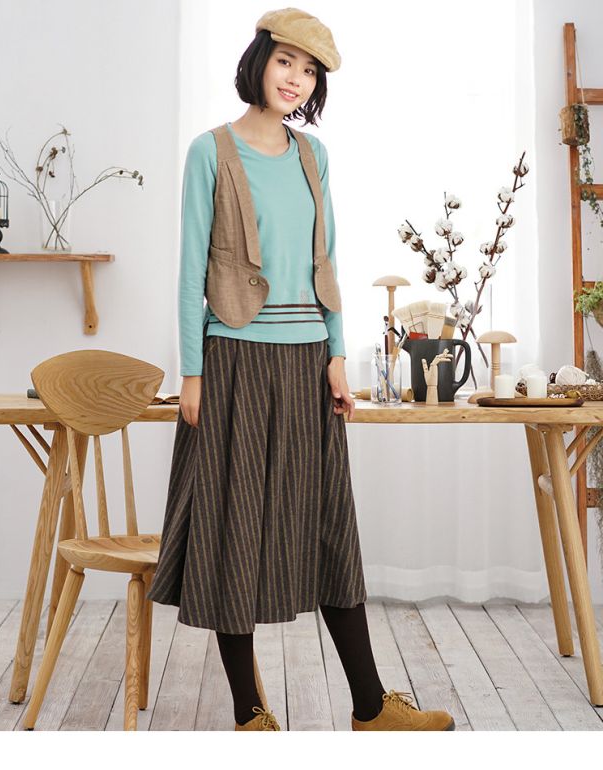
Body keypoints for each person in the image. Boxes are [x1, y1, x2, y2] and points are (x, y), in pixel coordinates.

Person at [147, 7, 454, 732]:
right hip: (234, 362)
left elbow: (327, 261)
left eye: (309, 70)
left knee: (329, 528)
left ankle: (370, 707)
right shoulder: (210, 152)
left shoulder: (314, 155)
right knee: (233, 529)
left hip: (309, 361)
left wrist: (338, 354)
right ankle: (250, 714)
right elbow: (192, 271)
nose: (295, 79)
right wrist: (192, 374)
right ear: (258, 61)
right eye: (286, 61)